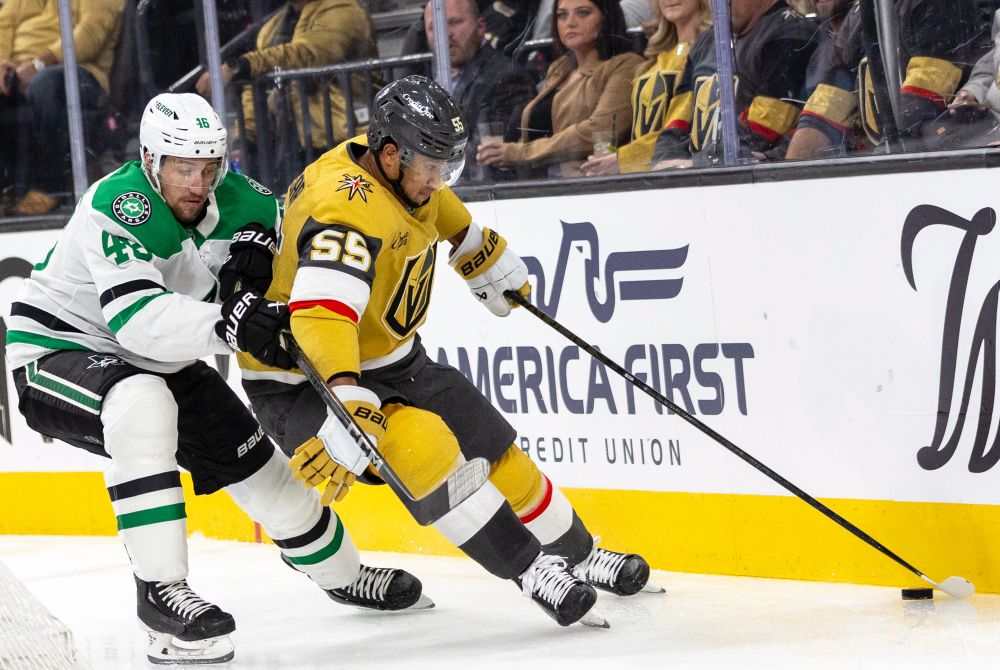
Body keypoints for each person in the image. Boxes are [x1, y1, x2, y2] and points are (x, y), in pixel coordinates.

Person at [3, 93, 426, 665]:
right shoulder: (116, 203)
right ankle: (161, 596)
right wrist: (234, 322)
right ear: (150, 160)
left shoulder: (248, 201)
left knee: (268, 479)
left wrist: (268, 271)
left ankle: (344, 575)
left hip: (165, 361)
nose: (197, 183)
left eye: (209, 167)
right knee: (140, 404)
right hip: (58, 350)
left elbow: (300, 259)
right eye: (182, 168)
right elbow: (138, 322)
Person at [239, 75, 662, 629]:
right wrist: (345, 394)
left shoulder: (403, 173)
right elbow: (322, 313)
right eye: (430, 166)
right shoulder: (342, 208)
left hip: (392, 358)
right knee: (423, 446)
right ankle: (532, 569)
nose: (438, 179)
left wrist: (478, 252)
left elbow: (440, 211)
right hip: (305, 378)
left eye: (446, 165)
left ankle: (579, 553)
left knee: (491, 445)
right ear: (390, 155)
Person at [785, 0, 979, 159]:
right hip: (885, 164)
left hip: (936, 165)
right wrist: (792, 172)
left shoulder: (939, 5)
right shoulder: (863, 13)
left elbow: (919, 106)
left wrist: (877, 166)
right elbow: (824, 110)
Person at [196, 0, 379, 167]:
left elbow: (307, 54)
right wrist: (245, 141)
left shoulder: (343, 9)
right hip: (291, 142)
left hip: (343, 136)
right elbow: (256, 89)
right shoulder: (273, 26)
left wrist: (241, 65)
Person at [477, 0, 644, 178]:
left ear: (606, 18)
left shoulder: (626, 65)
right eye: (562, 15)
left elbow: (596, 130)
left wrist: (518, 153)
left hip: (589, 182)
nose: (570, 23)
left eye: (583, 13)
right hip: (538, 184)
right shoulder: (560, 68)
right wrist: (500, 153)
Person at [651, 0, 817, 167]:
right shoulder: (705, 41)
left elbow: (760, 133)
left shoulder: (792, 32)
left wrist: (697, 164)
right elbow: (676, 123)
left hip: (750, 177)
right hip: (700, 173)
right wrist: (664, 162)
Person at [0, 0, 123, 216]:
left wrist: (38, 64)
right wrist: (2, 64)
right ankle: (6, 190)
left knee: (46, 84)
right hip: (19, 72)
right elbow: (4, 24)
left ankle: (48, 189)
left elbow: (90, 35)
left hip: (78, 72)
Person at [581, 0, 711, 175]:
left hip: (682, 171)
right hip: (643, 173)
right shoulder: (655, 58)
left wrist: (623, 160)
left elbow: (681, 130)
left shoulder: (708, 56)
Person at [422, 0, 536, 183]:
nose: (445, 34)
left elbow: (484, 155)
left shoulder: (507, 77)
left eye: (455, 22)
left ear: (481, 26)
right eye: (434, 27)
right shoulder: (427, 82)